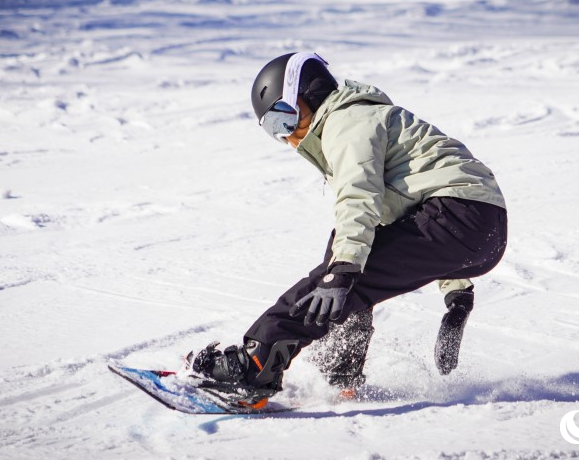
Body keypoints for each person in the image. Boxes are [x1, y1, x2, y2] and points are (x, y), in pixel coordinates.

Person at [189, 52, 507, 408]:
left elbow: (359, 196)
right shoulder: (363, 118)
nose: (286, 137)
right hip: (481, 227)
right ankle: (341, 377)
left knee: (339, 275)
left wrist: (340, 273)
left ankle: (254, 366)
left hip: (460, 215)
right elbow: (412, 200)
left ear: (307, 96)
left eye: (283, 119)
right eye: (273, 130)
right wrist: (457, 293)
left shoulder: (347, 121)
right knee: (344, 255)